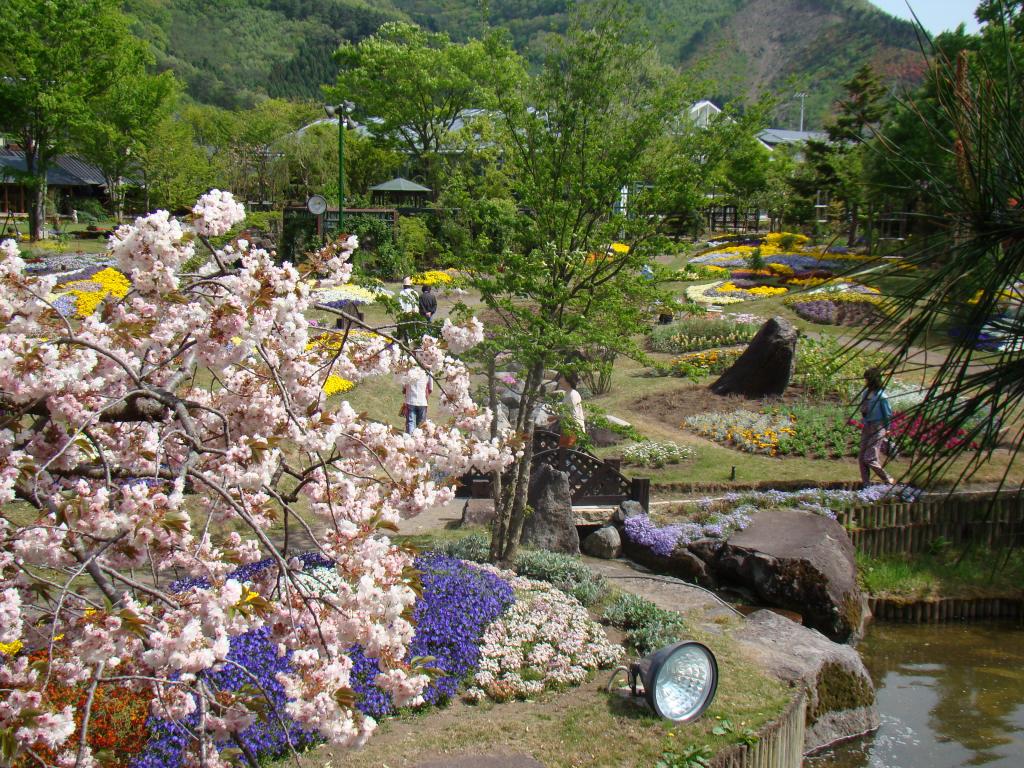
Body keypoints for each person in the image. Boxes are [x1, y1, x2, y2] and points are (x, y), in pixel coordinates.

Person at [858, 367, 895, 488]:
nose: (866, 382)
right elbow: (863, 408)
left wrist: (887, 429)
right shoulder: (865, 393)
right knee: (861, 458)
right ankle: (866, 485)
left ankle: (888, 478)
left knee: (870, 458)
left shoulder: (882, 397)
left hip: (878, 427)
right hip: (867, 426)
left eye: (867, 379)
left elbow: (888, 414)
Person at [402, 365, 431, 433]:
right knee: (420, 424)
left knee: (411, 421)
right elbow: (430, 387)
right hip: (422, 401)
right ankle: (418, 438)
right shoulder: (427, 371)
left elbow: (404, 385)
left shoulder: (409, 369)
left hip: (410, 400)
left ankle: (410, 438)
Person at [560, 372, 585, 446]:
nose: (560, 380)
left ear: (568, 381)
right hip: (567, 431)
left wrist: (556, 417)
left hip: (573, 433)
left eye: (562, 378)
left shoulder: (572, 395)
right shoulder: (567, 394)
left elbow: (573, 417)